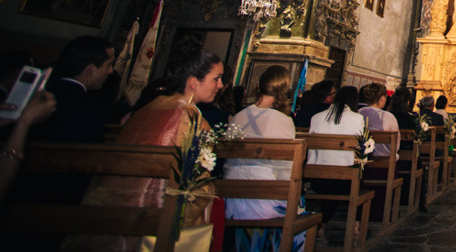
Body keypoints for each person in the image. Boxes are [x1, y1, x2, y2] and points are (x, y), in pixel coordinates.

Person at [72, 49, 225, 251]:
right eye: (217, 79)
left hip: (107, 214)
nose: (221, 85)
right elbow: (197, 187)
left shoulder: (149, 108)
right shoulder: (193, 121)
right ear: (193, 82)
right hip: (153, 222)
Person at [225, 66, 306, 252]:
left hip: (232, 200)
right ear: (284, 90)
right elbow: (287, 170)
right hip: (266, 201)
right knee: (301, 207)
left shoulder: (237, 117)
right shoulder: (283, 121)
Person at [308, 86, 365, 229]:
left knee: (331, 172)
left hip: (317, 180)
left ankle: (323, 221)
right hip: (345, 180)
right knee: (357, 174)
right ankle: (356, 224)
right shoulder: (357, 119)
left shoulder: (316, 118)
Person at [42, 35, 115, 143]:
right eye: (108, 65)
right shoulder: (92, 111)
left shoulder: (38, 94)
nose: (111, 71)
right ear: (91, 70)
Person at [358, 82, 398, 156]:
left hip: (361, 158)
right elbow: (396, 145)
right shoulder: (389, 117)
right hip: (384, 161)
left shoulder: (358, 113)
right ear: (382, 98)